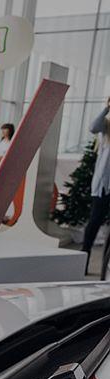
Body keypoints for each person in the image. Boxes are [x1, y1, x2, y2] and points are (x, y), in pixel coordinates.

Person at [82, 97, 110, 258]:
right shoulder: (106, 126)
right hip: (104, 186)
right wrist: (107, 109)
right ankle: (84, 256)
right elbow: (93, 127)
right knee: (94, 222)